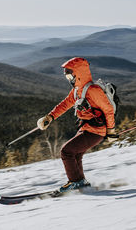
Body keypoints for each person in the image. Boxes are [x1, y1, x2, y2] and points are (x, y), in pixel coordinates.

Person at [37, 57, 117, 192]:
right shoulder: (77, 90)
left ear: (78, 73)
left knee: (66, 151)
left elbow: (108, 110)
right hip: (86, 128)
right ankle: (80, 182)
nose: (68, 79)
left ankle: (75, 182)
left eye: (69, 75)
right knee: (75, 154)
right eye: (67, 76)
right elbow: (65, 104)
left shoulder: (92, 90)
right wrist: (50, 117)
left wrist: (111, 130)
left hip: (96, 131)